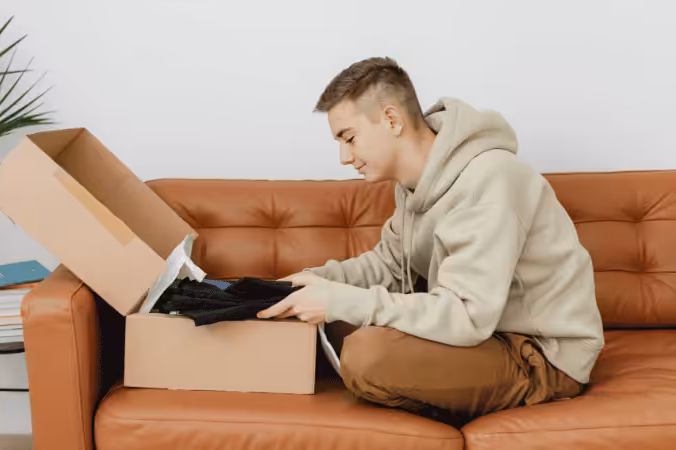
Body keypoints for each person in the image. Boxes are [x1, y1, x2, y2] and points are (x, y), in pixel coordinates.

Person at [257, 56, 604, 424]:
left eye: (350, 138)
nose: (344, 157)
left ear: (391, 120)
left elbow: (467, 315)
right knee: (318, 322)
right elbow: (388, 264)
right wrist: (315, 282)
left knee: (366, 354)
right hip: (485, 337)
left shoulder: (489, 179)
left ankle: (435, 393)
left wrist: (341, 300)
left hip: (537, 354)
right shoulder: (413, 186)